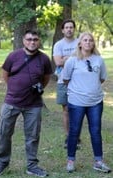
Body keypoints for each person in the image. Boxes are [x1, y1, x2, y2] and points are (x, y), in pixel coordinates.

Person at [0, 30, 52, 178]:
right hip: (12, 102)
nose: (32, 42)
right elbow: (5, 75)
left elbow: (46, 78)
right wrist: (15, 88)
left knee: (32, 136)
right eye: (29, 39)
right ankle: (3, 163)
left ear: (39, 41)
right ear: (24, 41)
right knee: (4, 132)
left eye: (35, 39)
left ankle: (32, 165)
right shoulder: (13, 56)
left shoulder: (44, 59)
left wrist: (37, 89)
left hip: (34, 104)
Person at [62, 32, 111, 173]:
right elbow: (66, 79)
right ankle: (70, 160)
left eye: (90, 40)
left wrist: (91, 88)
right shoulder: (72, 60)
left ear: (93, 44)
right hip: (76, 102)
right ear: (80, 43)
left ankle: (98, 161)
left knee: (95, 131)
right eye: (85, 40)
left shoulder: (98, 60)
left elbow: (101, 78)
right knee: (74, 131)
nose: (88, 43)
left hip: (95, 102)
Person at [53, 19, 80, 149]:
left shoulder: (80, 43)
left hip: (79, 81)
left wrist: (66, 58)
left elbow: (84, 58)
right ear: (62, 30)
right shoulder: (58, 45)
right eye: (66, 27)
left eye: (71, 27)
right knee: (66, 110)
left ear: (74, 29)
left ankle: (76, 136)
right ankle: (68, 136)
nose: (69, 29)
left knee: (78, 109)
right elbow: (58, 62)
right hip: (63, 81)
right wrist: (73, 57)